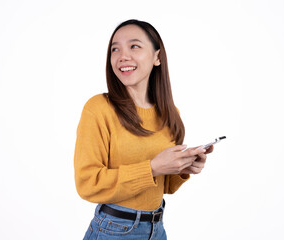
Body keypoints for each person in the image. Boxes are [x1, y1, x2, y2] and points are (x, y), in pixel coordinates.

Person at [74, 19, 213, 240]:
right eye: (115, 49)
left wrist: (185, 166)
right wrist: (152, 167)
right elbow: (88, 184)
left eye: (134, 46)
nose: (123, 56)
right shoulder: (98, 108)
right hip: (114, 230)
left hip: (157, 229)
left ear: (158, 57)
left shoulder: (169, 112)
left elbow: (163, 186)